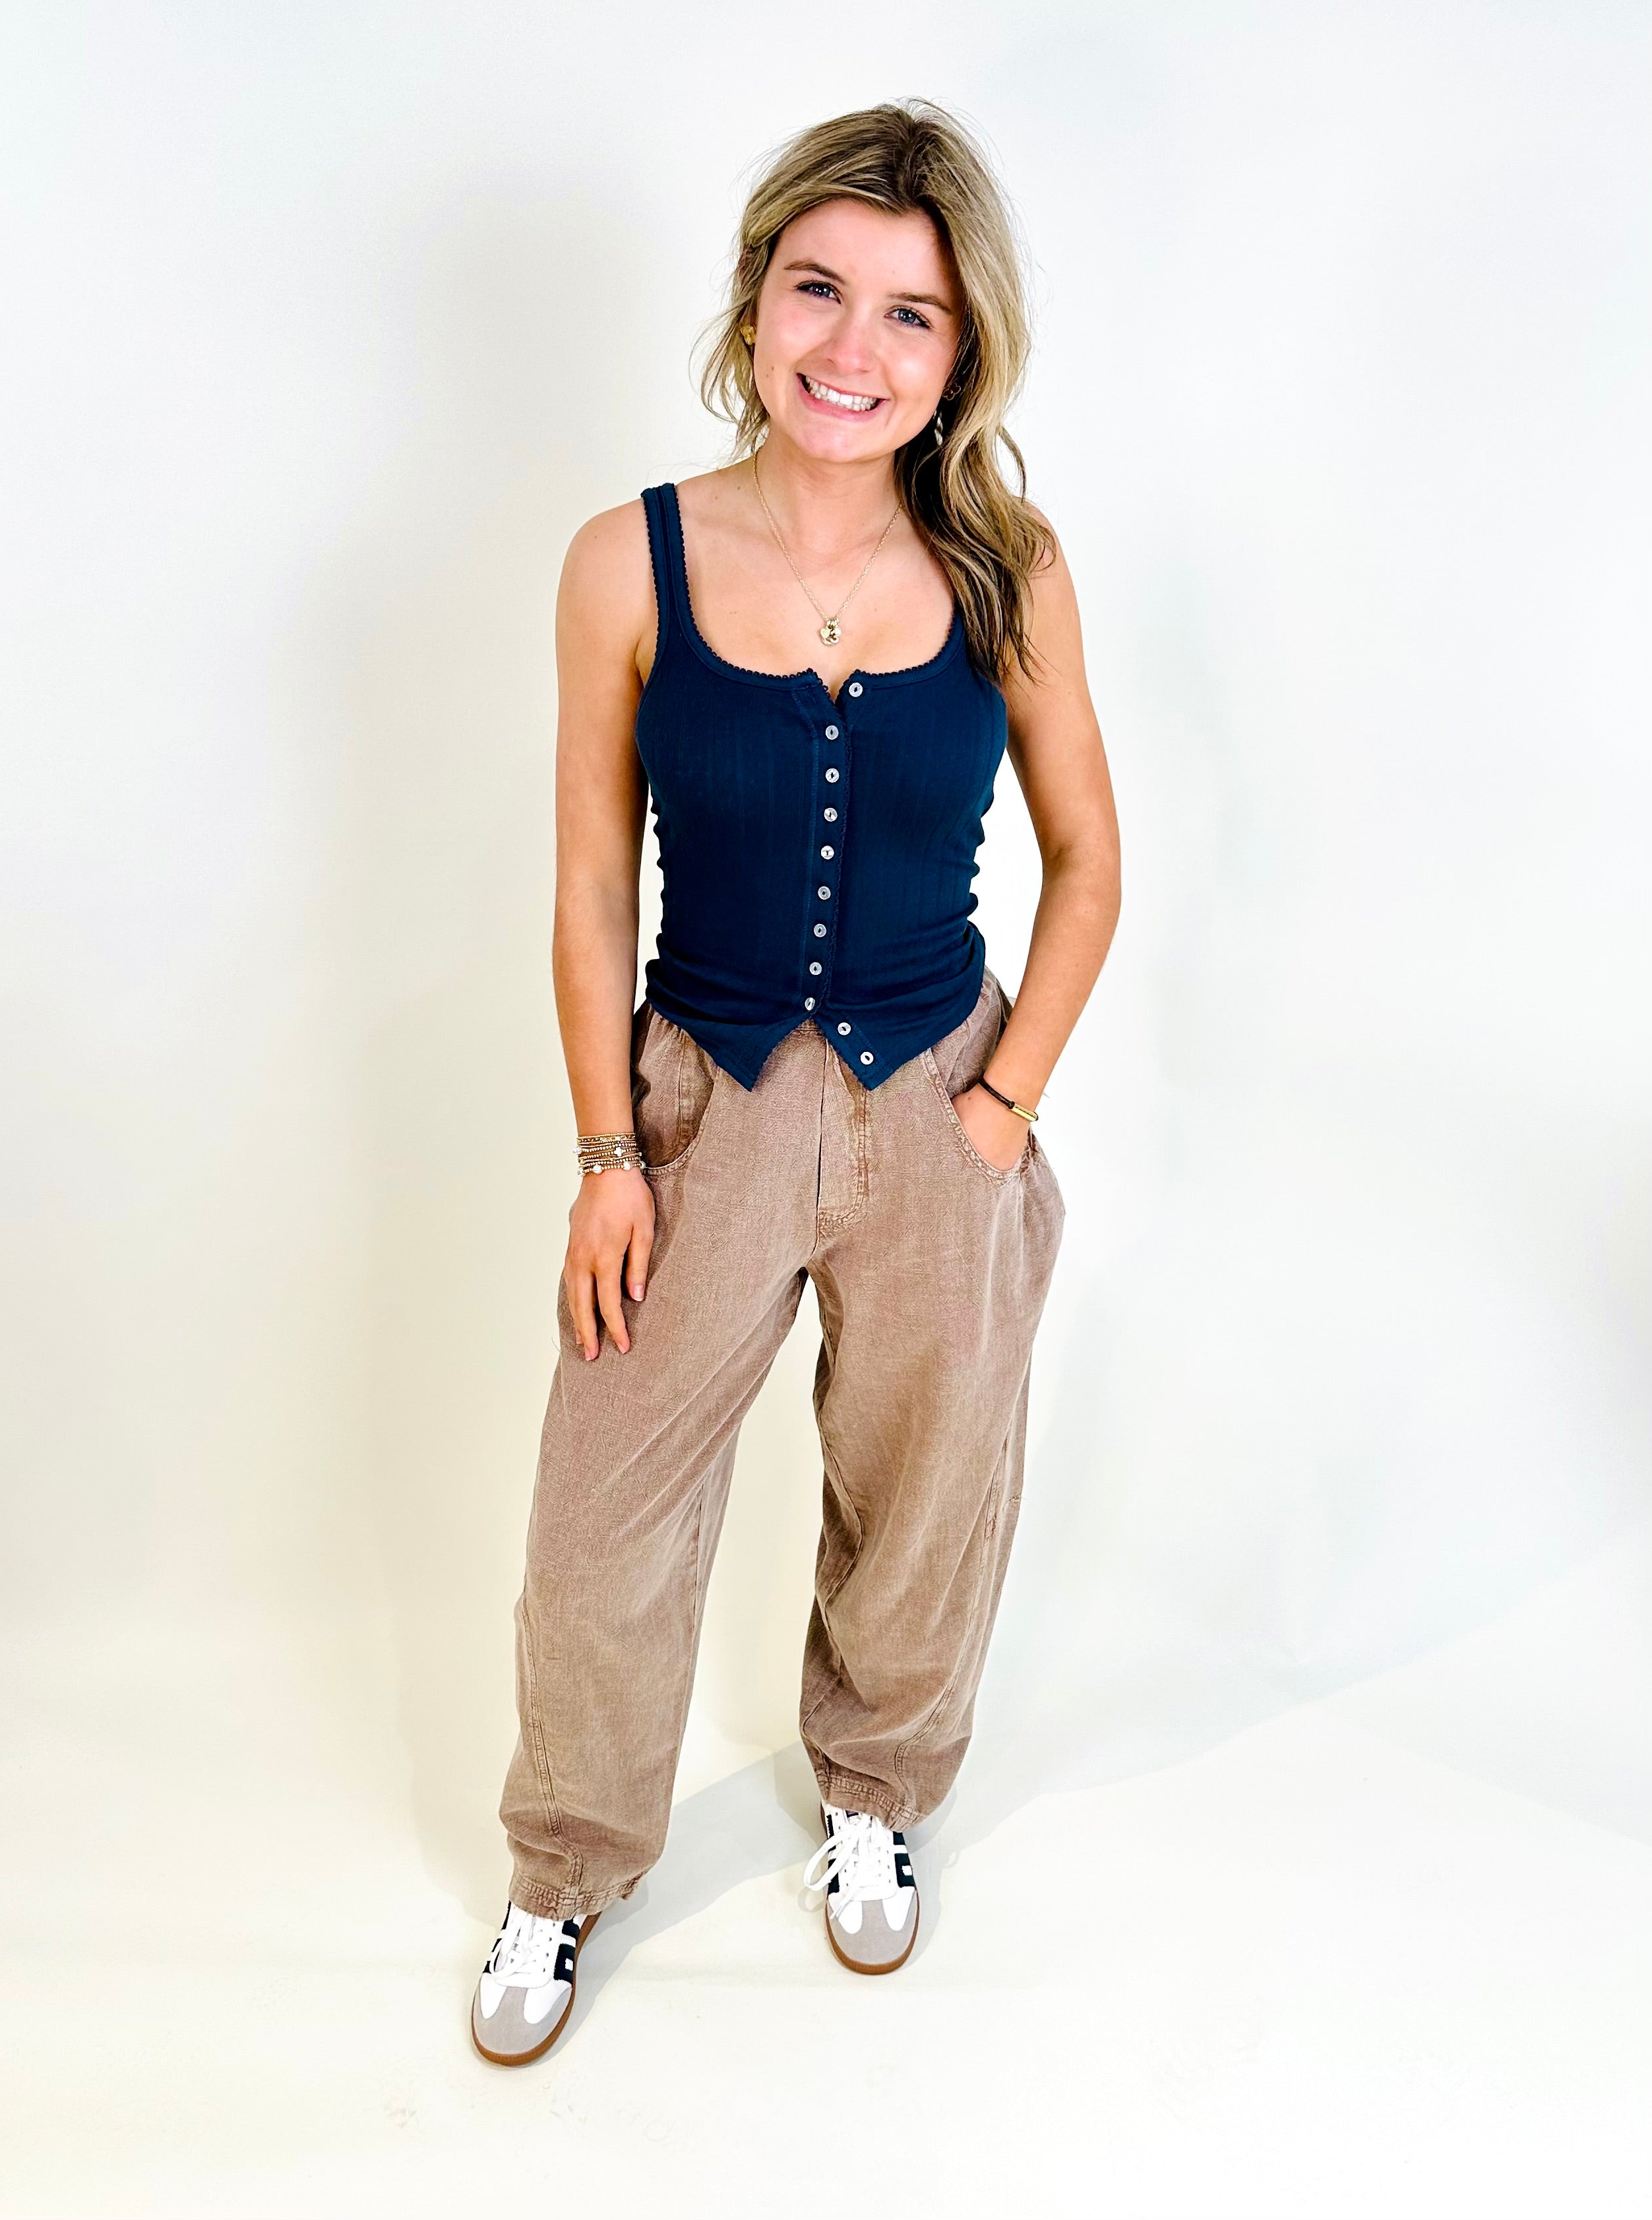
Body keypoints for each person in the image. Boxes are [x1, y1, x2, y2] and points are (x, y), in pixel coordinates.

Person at [471, 98, 1120, 2066]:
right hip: (704, 1095)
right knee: (604, 1511)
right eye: (818, 289)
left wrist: (1000, 1111)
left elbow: (1088, 859)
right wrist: (609, 1149)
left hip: (941, 1095)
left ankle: (877, 1792)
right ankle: (568, 1861)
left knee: (926, 1488)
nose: (853, 348)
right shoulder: (630, 560)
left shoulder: (1006, 565)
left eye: (909, 313)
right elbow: (594, 880)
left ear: (962, 347)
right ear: (755, 298)